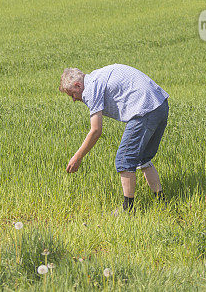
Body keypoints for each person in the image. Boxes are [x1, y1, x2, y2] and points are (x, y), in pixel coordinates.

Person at [59, 64, 169, 212]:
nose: (73, 99)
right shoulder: (96, 77)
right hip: (160, 104)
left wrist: (77, 157)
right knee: (143, 158)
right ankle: (161, 203)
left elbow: (96, 130)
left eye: (72, 95)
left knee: (124, 159)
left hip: (144, 110)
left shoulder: (90, 89)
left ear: (78, 85)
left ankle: (128, 210)